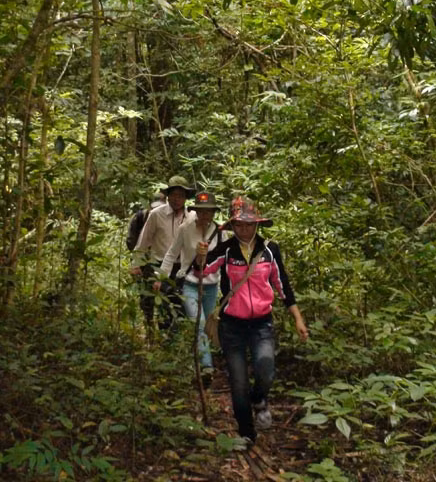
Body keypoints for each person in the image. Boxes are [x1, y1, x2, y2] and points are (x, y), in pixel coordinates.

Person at [195, 196, 309, 444]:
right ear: (232, 226)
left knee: (266, 370)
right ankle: (246, 433)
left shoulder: (269, 250)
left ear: (257, 224)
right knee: (238, 382)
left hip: (261, 324)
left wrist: (297, 319)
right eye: (239, 225)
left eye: (249, 224)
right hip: (232, 325)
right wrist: (200, 256)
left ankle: (259, 398)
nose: (244, 229)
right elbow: (202, 271)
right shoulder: (226, 250)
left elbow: (283, 286)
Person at [159, 191, 224, 384]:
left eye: (209, 211)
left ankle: (203, 357)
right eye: (201, 211)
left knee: (210, 327)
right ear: (196, 211)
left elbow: (226, 259)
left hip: (211, 286)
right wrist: (161, 278)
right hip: (190, 284)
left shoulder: (220, 232)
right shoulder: (185, 228)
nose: (205, 215)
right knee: (200, 324)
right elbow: (171, 254)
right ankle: (207, 367)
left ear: (213, 213)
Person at [131, 175, 196, 334]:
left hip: (181, 267)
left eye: (181, 196)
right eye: (173, 195)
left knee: (180, 304)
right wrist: (136, 264)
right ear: (167, 196)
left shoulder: (192, 216)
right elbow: (144, 239)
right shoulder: (156, 214)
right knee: (160, 304)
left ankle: (176, 339)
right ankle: (158, 336)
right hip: (158, 265)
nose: (177, 199)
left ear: (186, 197)